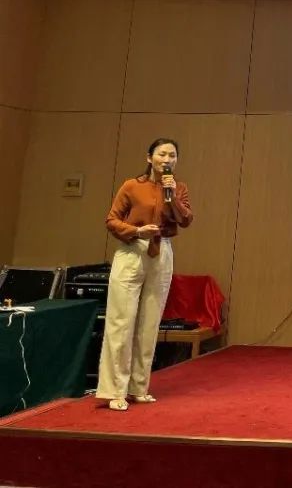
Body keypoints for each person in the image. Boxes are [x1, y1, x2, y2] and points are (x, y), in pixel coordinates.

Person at [96, 138, 194, 411]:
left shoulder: (178, 188)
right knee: (121, 321)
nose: (167, 159)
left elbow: (186, 219)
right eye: (162, 154)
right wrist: (137, 231)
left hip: (162, 251)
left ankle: (138, 387)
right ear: (149, 158)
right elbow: (112, 220)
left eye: (172, 155)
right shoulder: (132, 186)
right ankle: (114, 390)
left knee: (150, 324)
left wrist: (172, 196)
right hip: (132, 250)